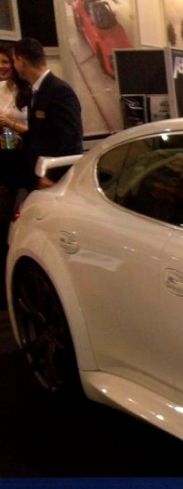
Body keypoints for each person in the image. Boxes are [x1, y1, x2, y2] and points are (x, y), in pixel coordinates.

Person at [12, 37, 82, 189]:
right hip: (37, 173)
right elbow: (37, 134)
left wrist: (51, 176)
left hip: (52, 178)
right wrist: (9, 139)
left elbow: (70, 139)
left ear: (21, 61)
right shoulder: (35, 90)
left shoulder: (60, 91)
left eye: (14, 61)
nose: (14, 66)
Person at [0, 44, 31, 310]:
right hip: (5, 158)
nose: (2, 67)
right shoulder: (0, 90)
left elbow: (36, 130)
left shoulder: (28, 91)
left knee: (24, 221)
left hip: (26, 161)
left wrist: (10, 124)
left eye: (5, 62)